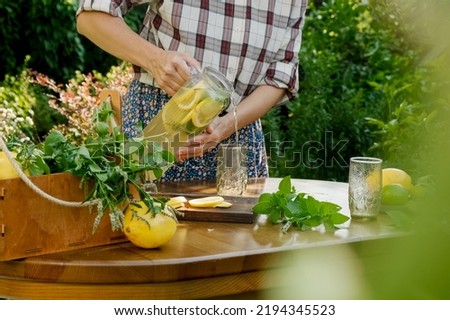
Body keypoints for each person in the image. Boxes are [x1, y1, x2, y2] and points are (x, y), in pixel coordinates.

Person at [76, 1, 308, 181]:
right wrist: (155, 59)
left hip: (239, 135)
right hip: (162, 118)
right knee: (145, 229)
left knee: (244, 240)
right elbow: (91, 16)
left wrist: (227, 126)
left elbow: (280, 76)